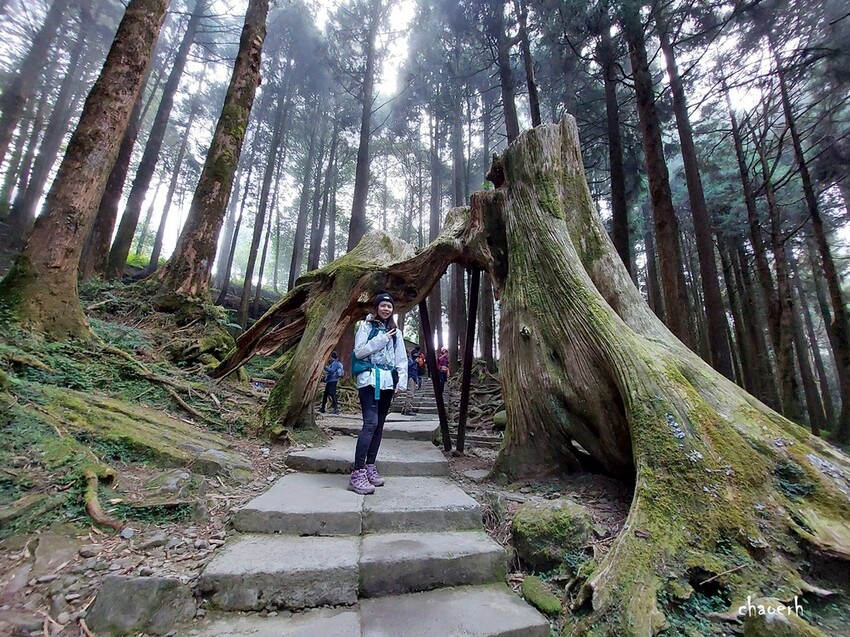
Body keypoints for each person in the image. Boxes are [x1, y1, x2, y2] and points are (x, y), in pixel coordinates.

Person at [349, 292, 407, 495]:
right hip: (369, 379)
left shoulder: (396, 332)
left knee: (380, 425)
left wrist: (402, 381)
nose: (386, 309)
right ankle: (357, 472)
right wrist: (381, 340)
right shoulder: (366, 327)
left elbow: (401, 358)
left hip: (387, 382)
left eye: (389, 306)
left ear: (392, 310)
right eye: (382, 305)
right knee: (370, 423)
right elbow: (358, 352)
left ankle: (370, 466)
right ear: (376, 308)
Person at [403, 350, 419, 414]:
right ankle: (408, 409)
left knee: (411, 393)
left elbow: (416, 372)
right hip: (410, 377)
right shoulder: (409, 360)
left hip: (413, 377)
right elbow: (408, 366)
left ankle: (404, 408)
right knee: (410, 393)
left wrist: (417, 382)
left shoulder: (414, 362)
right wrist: (415, 362)